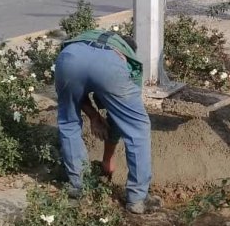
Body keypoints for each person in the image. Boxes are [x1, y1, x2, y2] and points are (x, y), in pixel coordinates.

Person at [54, 29, 161, 214]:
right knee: (138, 128)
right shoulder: (129, 61)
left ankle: (78, 187)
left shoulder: (85, 38)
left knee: (68, 121)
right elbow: (119, 120)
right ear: (127, 52)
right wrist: (108, 158)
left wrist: (93, 116)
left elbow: (75, 95)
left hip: (69, 59)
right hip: (108, 68)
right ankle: (137, 198)